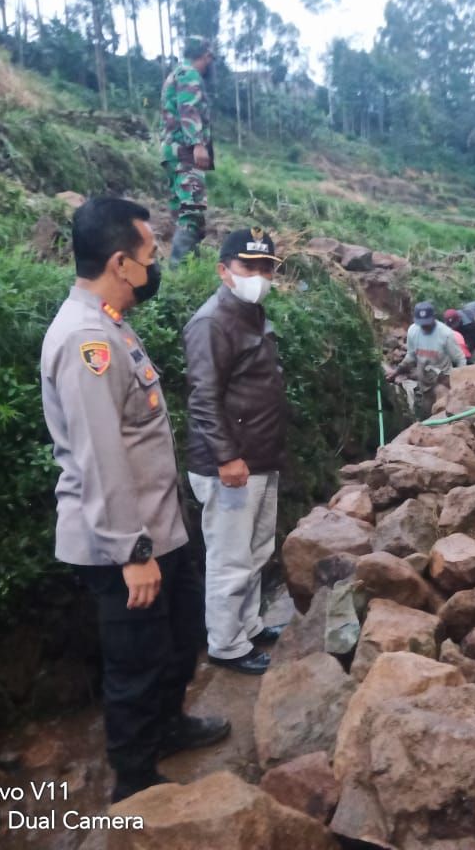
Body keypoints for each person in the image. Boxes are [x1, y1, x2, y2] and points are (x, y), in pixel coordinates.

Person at [40, 197, 229, 802]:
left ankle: (168, 727)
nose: (155, 266)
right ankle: (135, 779)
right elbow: (100, 458)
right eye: (150, 256)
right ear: (121, 262)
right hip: (125, 543)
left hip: (157, 529)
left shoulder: (111, 324)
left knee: (176, 642)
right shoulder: (85, 341)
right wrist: (132, 550)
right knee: (136, 661)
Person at [183, 227, 289, 676]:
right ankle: (226, 645)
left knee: (258, 549)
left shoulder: (252, 312)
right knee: (230, 558)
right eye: (249, 267)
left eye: (266, 268)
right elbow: (203, 398)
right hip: (230, 466)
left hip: (261, 458)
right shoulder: (212, 322)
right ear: (223, 271)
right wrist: (227, 457)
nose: (259, 275)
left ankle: (249, 623)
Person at [161, 36, 216, 265]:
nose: (211, 62)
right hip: (185, 154)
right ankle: (180, 274)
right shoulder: (190, 75)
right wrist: (198, 144)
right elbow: (189, 109)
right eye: (210, 57)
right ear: (204, 56)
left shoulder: (175, 74)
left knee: (184, 213)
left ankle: (190, 271)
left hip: (173, 154)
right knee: (191, 214)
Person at [386, 301, 466, 418]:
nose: (424, 326)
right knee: (427, 415)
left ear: (434, 318)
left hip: (442, 381)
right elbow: (411, 356)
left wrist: (459, 385)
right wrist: (396, 372)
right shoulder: (413, 331)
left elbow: (460, 359)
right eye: (421, 323)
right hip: (424, 382)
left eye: (427, 323)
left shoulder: (445, 334)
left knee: (443, 414)